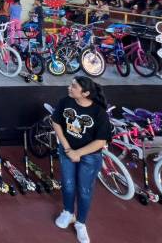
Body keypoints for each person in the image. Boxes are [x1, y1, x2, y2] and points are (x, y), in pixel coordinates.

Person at [51, 77, 111, 243]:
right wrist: (68, 148)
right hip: (67, 152)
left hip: (90, 157)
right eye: (71, 84)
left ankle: (80, 223)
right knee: (68, 185)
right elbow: (56, 122)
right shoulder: (65, 102)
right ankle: (68, 212)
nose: (69, 88)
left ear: (85, 93)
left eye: (74, 86)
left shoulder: (99, 113)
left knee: (84, 191)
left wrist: (78, 153)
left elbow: (101, 141)